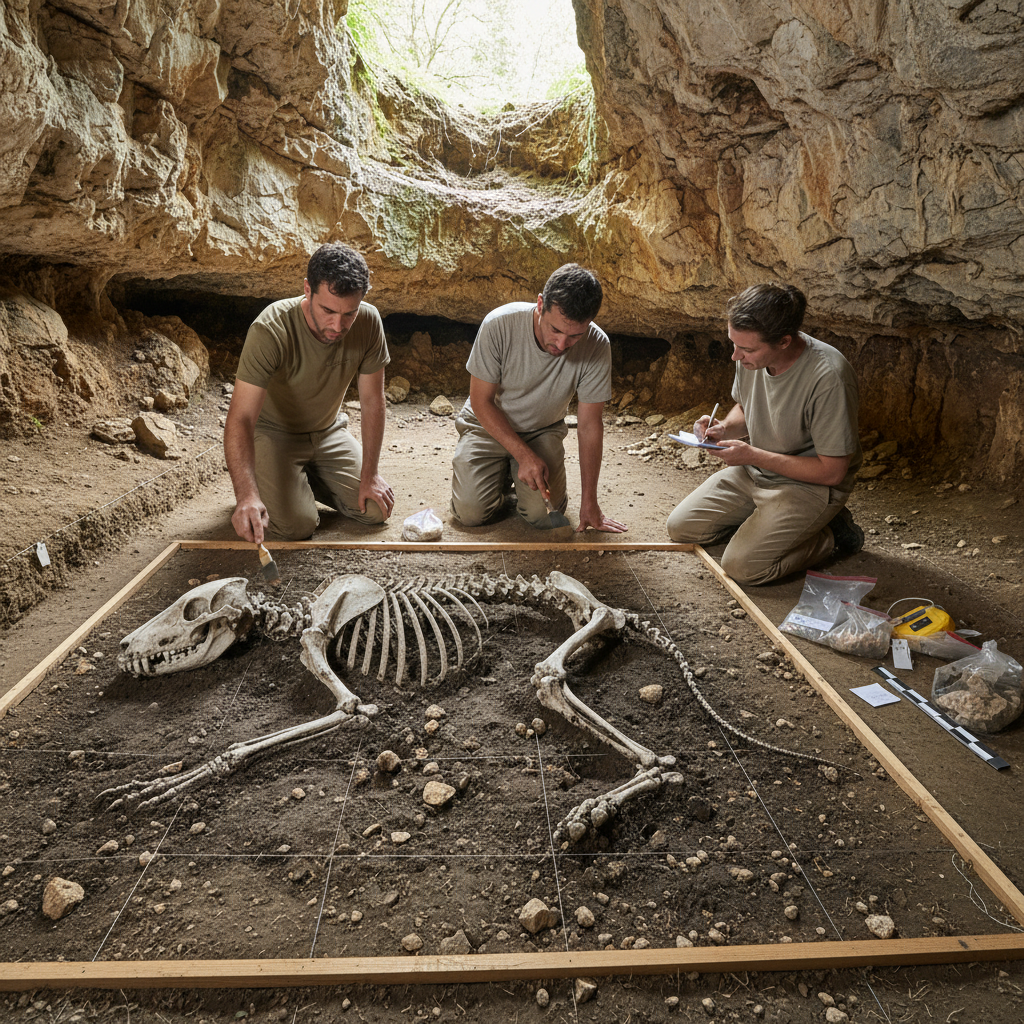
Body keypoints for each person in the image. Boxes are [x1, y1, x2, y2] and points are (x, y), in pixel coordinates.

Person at [666, 283, 863, 585]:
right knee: (681, 528)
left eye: (746, 349)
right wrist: (723, 428)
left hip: (809, 486)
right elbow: (745, 407)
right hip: (756, 471)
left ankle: (831, 535)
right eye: (734, 344)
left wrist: (751, 454)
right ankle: (770, 528)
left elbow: (833, 472)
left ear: (783, 342)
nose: (735, 356)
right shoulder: (751, 355)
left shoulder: (828, 376)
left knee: (743, 568)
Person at [225, 242, 395, 543]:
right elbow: (241, 419)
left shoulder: (369, 322)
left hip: (328, 432)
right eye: (328, 310)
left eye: (349, 314)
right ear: (307, 289)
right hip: (274, 435)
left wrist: (370, 475)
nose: (337, 325)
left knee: (374, 510)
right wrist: (247, 496)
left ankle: (301, 481)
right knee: (297, 527)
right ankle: (277, 484)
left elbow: (372, 402)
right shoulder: (270, 329)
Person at [450, 263, 627, 533]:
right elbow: (480, 402)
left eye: (574, 336)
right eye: (555, 330)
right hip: (486, 426)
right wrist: (522, 455)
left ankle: (517, 479)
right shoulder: (498, 324)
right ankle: (502, 476)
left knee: (543, 516)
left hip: (542, 429)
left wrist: (590, 500)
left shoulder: (597, 344)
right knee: (470, 514)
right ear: (540, 304)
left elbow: (590, 425)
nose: (560, 344)